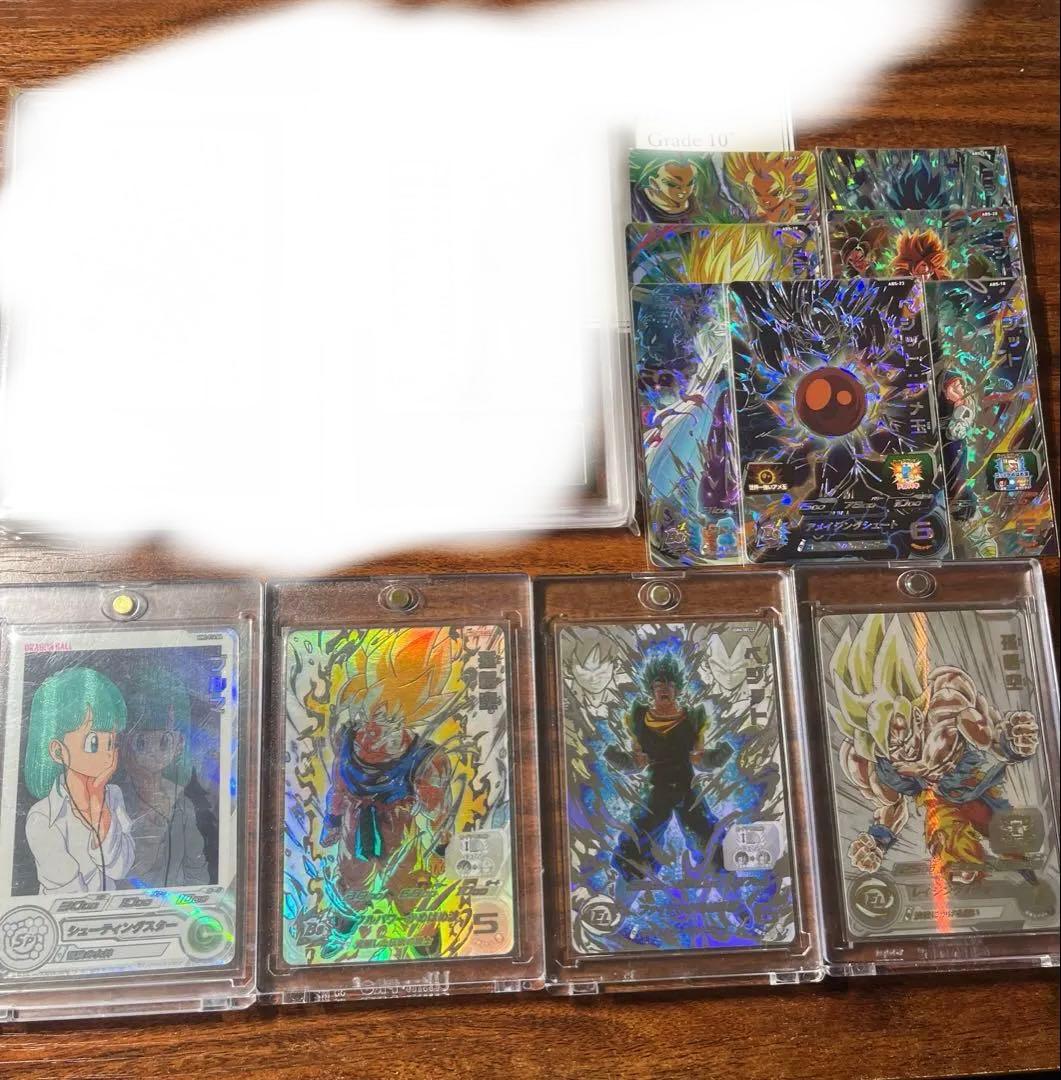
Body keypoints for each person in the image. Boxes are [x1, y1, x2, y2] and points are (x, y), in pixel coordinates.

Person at [830, 614, 1041, 883]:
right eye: (885, 743)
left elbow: (990, 738)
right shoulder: (869, 761)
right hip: (939, 803)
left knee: (1015, 845)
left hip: (975, 783)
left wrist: (1013, 741)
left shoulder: (946, 705)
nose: (899, 748)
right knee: (953, 846)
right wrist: (878, 841)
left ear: (915, 714)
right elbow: (891, 807)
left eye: (898, 728)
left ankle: (1029, 877)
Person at [319, 701, 451, 957]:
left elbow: (437, 809)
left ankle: (422, 930)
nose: (372, 735)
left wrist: (440, 848)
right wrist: (332, 822)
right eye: (370, 724)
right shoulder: (348, 740)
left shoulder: (422, 755)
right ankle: (344, 927)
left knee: (406, 882)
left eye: (383, 725)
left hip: (397, 823)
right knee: (353, 881)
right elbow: (338, 787)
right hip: (355, 821)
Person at [608, 654, 730, 883]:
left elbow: (698, 758)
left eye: (670, 684)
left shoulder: (693, 718)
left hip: (687, 787)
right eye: (659, 684)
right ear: (651, 688)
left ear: (677, 688)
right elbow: (638, 761)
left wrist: (720, 756)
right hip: (656, 789)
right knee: (637, 841)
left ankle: (730, 892)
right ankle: (628, 889)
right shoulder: (639, 717)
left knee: (709, 840)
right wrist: (616, 758)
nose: (664, 688)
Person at [23, 667, 135, 894]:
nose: (107, 754)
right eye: (93, 743)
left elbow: (121, 868)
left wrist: (98, 804)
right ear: (58, 751)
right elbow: (68, 894)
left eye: (111, 742)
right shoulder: (42, 817)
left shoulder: (112, 796)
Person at [118, 665, 210, 889]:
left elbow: (196, 865)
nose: (153, 752)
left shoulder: (183, 806)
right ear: (125, 741)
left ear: (179, 744)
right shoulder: (116, 801)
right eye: (141, 742)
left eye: (164, 741)